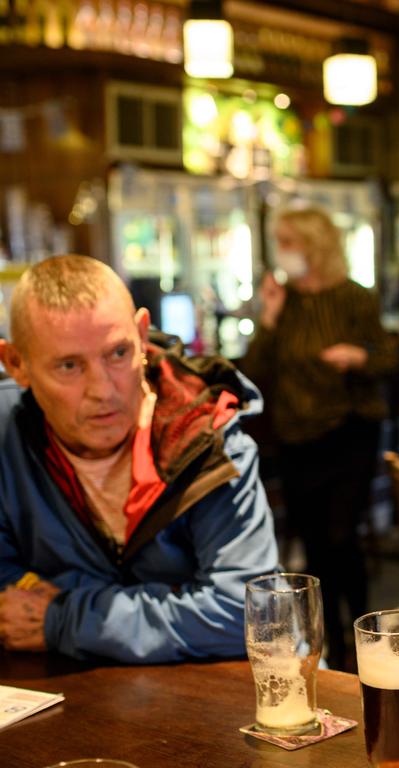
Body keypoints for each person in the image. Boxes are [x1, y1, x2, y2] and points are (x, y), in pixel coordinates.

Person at [0, 255, 278, 663]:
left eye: (117, 353)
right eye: (70, 365)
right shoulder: (6, 436)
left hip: (240, 697)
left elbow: (252, 614)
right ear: (16, 364)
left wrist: (65, 617)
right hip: (82, 696)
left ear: (143, 334)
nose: (103, 390)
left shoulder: (204, 433)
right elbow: (7, 594)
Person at [240, 205, 396, 670]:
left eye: (291, 242)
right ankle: (326, 646)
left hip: (348, 430)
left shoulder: (353, 297)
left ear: (316, 246)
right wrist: (268, 315)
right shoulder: (283, 302)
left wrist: (358, 356)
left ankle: (362, 640)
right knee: (313, 543)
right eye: (281, 242)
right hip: (296, 437)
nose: (284, 252)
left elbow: (387, 357)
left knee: (341, 536)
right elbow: (254, 371)